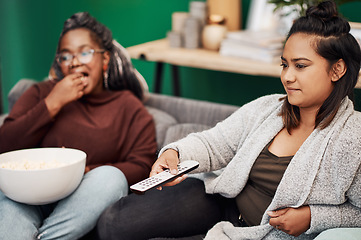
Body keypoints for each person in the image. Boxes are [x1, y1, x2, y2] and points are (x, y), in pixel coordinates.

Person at [96, 1, 361, 239]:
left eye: (300, 66)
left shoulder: (354, 138)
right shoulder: (269, 108)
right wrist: (176, 152)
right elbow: (216, 143)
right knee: (114, 223)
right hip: (223, 202)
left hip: (264, 232)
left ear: (337, 69)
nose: (287, 77)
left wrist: (314, 218)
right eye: (284, 64)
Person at [0, 12, 157, 240]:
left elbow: (143, 165)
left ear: (104, 61)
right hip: (30, 195)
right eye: (65, 56)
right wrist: (53, 103)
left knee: (110, 178)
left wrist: (85, 171)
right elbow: (4, 146)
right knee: (9, 201)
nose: (74, 62)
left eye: (85, 53)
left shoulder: (127, 107)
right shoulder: (41, 93)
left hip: (85, 199)